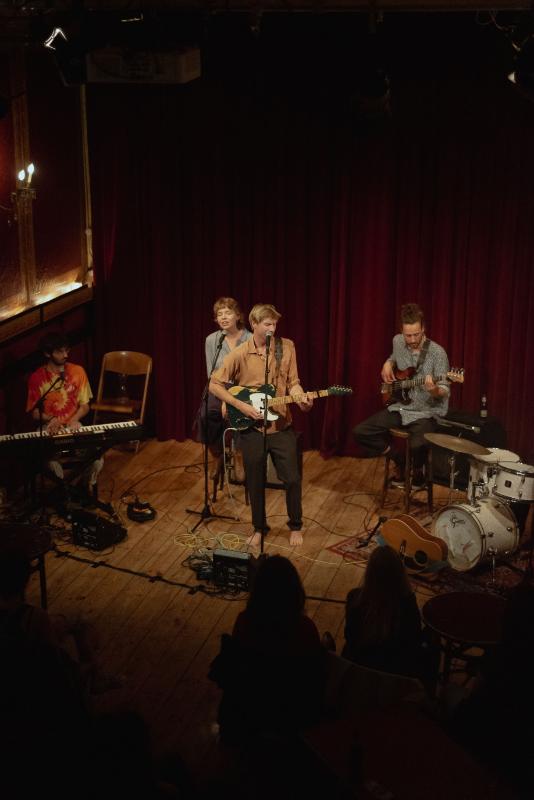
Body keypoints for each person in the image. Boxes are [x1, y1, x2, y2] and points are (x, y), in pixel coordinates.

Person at [209, 303, 313, 547]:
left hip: (281, 425)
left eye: (274, 324)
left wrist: (301, 399)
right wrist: (239, 405)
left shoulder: (286, 347)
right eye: (267, 324)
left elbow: (294, 382)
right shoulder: (240, 353)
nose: (272, 329)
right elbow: (214, 384)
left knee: (292, 479)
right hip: (252, 428)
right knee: (254, 480)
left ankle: (295, 525)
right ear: (254, 324)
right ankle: (259, 527)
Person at [208, 555, 326, 745]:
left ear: (257, 590)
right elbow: (313, 674)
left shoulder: (244, 621)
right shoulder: (305, 627)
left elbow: (238, 667)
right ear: (295, 591)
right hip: (293, 716)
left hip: (250, 711)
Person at [353, 302, 450, 485]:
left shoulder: (438, 353)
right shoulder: (397, 341)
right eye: (408, 335)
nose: (412, 339)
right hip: (401, 407)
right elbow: (393, 357)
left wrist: (434, 390)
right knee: (361, 432)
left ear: (423, 328)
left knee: (417, 445)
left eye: (416, 334)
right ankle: (400, 459)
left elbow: (444, 390)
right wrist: (388, 363)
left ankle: (417, 471)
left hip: (426, 412)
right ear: (401, 331)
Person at [342, 545, 437, 685]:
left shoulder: (354, 598)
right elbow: (414, 640)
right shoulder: (407, 603)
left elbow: (349, 636)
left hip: (360, 673)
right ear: (400, 573)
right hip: (397, 676)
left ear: (369, 573)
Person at [26, 332, 103, 497]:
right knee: (50, 463)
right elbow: (35, 413)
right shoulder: (37, 378)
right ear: (47, 353)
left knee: (97, 458)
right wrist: (52, 419)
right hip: (50, 427)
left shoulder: (77, 371)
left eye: (67, 350)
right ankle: (63, 493)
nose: (66, 355)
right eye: (60, 351)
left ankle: (84, 488)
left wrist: (75, 419)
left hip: (73, 425)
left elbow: (85, 406)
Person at [201, 297, 252, 480]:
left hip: (243, 386)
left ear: (238, 316)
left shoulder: (250, 339)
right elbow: (212, 373)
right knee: (206, 415)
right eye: (219, 314)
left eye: (228, 313)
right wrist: (223, 397)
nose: (223, 317)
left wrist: (230, 401)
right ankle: (217, 455)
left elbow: (249, 374)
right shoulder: (212, 340)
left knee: (239, 414)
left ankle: (239, 454)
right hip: (219, 385)